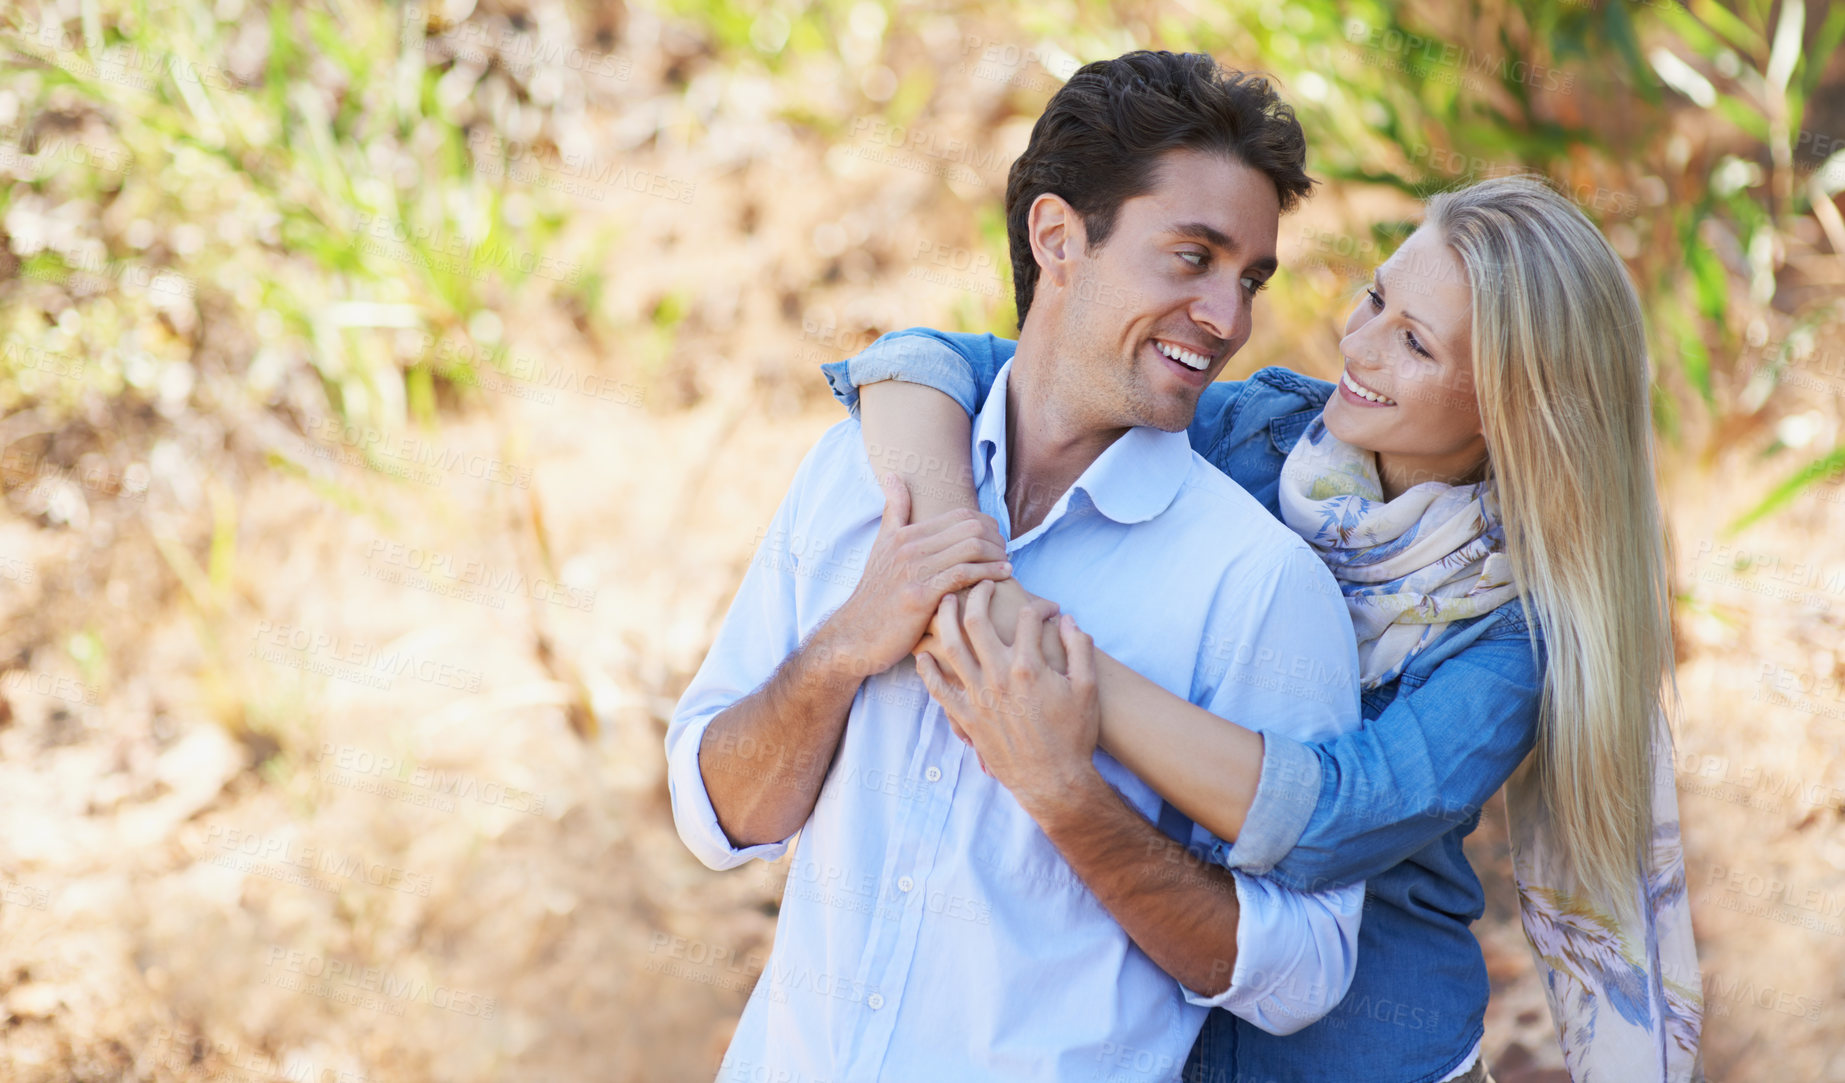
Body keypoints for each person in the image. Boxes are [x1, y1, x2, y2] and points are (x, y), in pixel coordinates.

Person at [821, 174, 1704, 1082]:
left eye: (1412, 343)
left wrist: (1054, 668)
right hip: (1157, 1026)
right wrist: (949, 559)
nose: (1355, 345)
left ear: (1509, 405)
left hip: (1359, 1057)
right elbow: (947, 365)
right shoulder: (1269, 431)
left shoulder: (1515, 634)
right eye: (1374, 299)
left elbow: (1333, 816)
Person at [667, 51, 1372, 1081]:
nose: (1229, 321)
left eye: (1249, 279)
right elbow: (714, 814)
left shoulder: (1260, 585)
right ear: (1057, 238)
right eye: (1192, 258)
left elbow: (1307, 969)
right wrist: (838, 655)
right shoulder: (860, 470)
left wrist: (1068, 798)